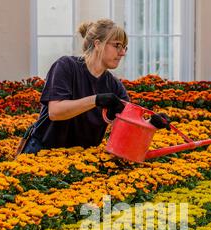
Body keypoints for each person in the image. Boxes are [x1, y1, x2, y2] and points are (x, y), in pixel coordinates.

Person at [21, 18, 170, 155]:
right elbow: (55, 112)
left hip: (80, 160)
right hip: (42, 153)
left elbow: (129, 127)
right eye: (117, 45)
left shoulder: (114, 86)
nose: (123, 52)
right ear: (98, 44)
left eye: (125, 47)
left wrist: (151, 123)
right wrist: (96, 100)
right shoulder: (66, 66)